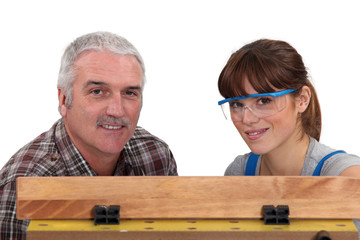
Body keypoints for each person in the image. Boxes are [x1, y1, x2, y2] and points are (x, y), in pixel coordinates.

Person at [0, 31, 178, 239]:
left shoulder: (155, 156)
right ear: (64, 99)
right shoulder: (22, 187)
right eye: (98, 91)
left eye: (130, 93)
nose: (117, 110)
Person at [217, 39, 360, 176]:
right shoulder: (239, 172)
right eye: (236, 104)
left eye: (264, 101)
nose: (247, 119)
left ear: (302, 100)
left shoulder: (343, 173)